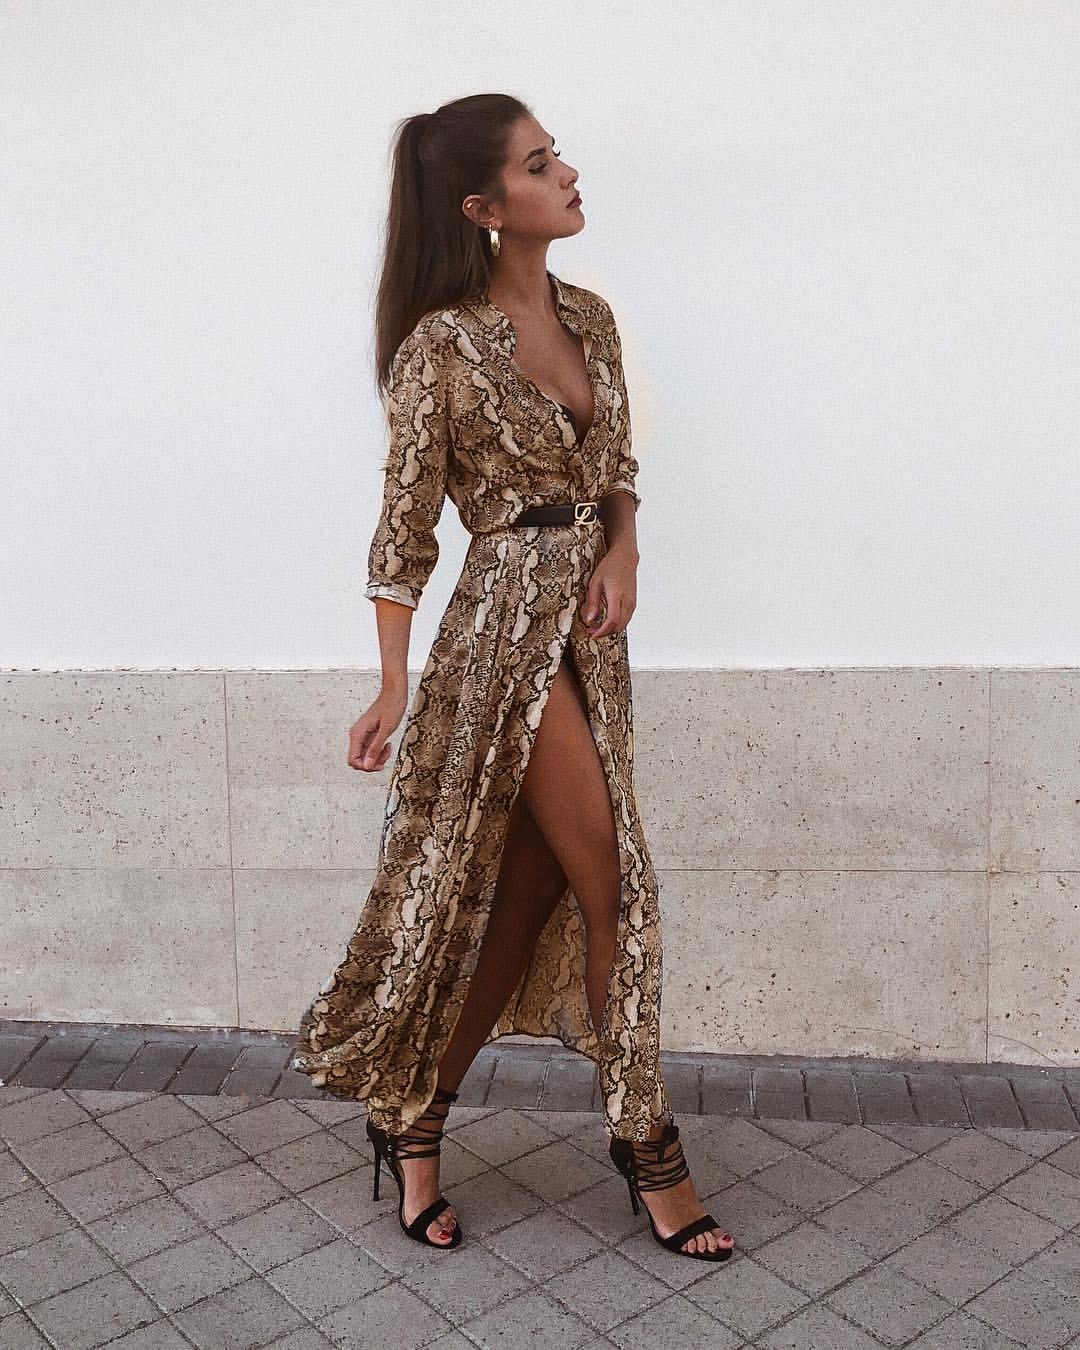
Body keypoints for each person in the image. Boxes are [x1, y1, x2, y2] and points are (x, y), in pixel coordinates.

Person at [290, 93, 734, 1262]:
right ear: (485, 207)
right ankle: (648, 1144)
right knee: (620, 886)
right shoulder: (440, 345)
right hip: (501, 642)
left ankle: (416, 1117)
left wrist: (624, 550)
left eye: (558, 154)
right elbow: (403, 535)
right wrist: (391, 685)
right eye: (541, 165)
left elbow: (616, 463)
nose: (568, 173)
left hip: (591, 638)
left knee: (532, 895)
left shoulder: (590, 316)